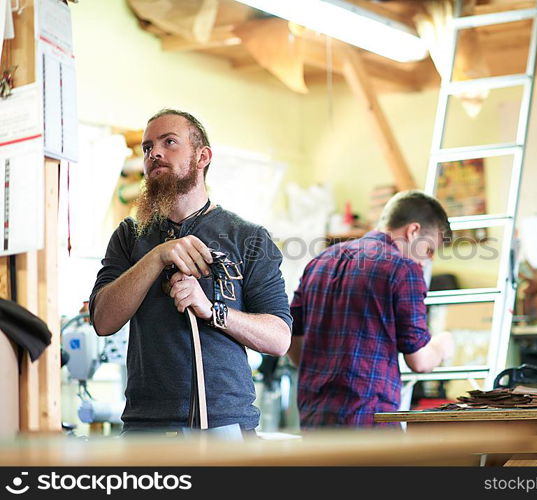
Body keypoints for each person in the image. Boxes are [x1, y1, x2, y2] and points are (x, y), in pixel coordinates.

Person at [89, 109, 291, 437]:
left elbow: (279, 338)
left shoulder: (249, 237)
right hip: (146, 427)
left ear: (202, 156)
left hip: (225, 424)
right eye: (147, 147)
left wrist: (212, 311)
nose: (154, 153)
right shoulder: (129, 235)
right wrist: (157, 257)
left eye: (170, 142)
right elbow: (103, 320)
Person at [287, 190, 455, 428]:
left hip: (315, 417)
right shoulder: (404, 269)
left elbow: (292, 342)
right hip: (369, 419)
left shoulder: (320, 261)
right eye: (428, 250)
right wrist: (442, 345)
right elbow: (419, 361)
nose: (425, 261)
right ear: (413, 231)